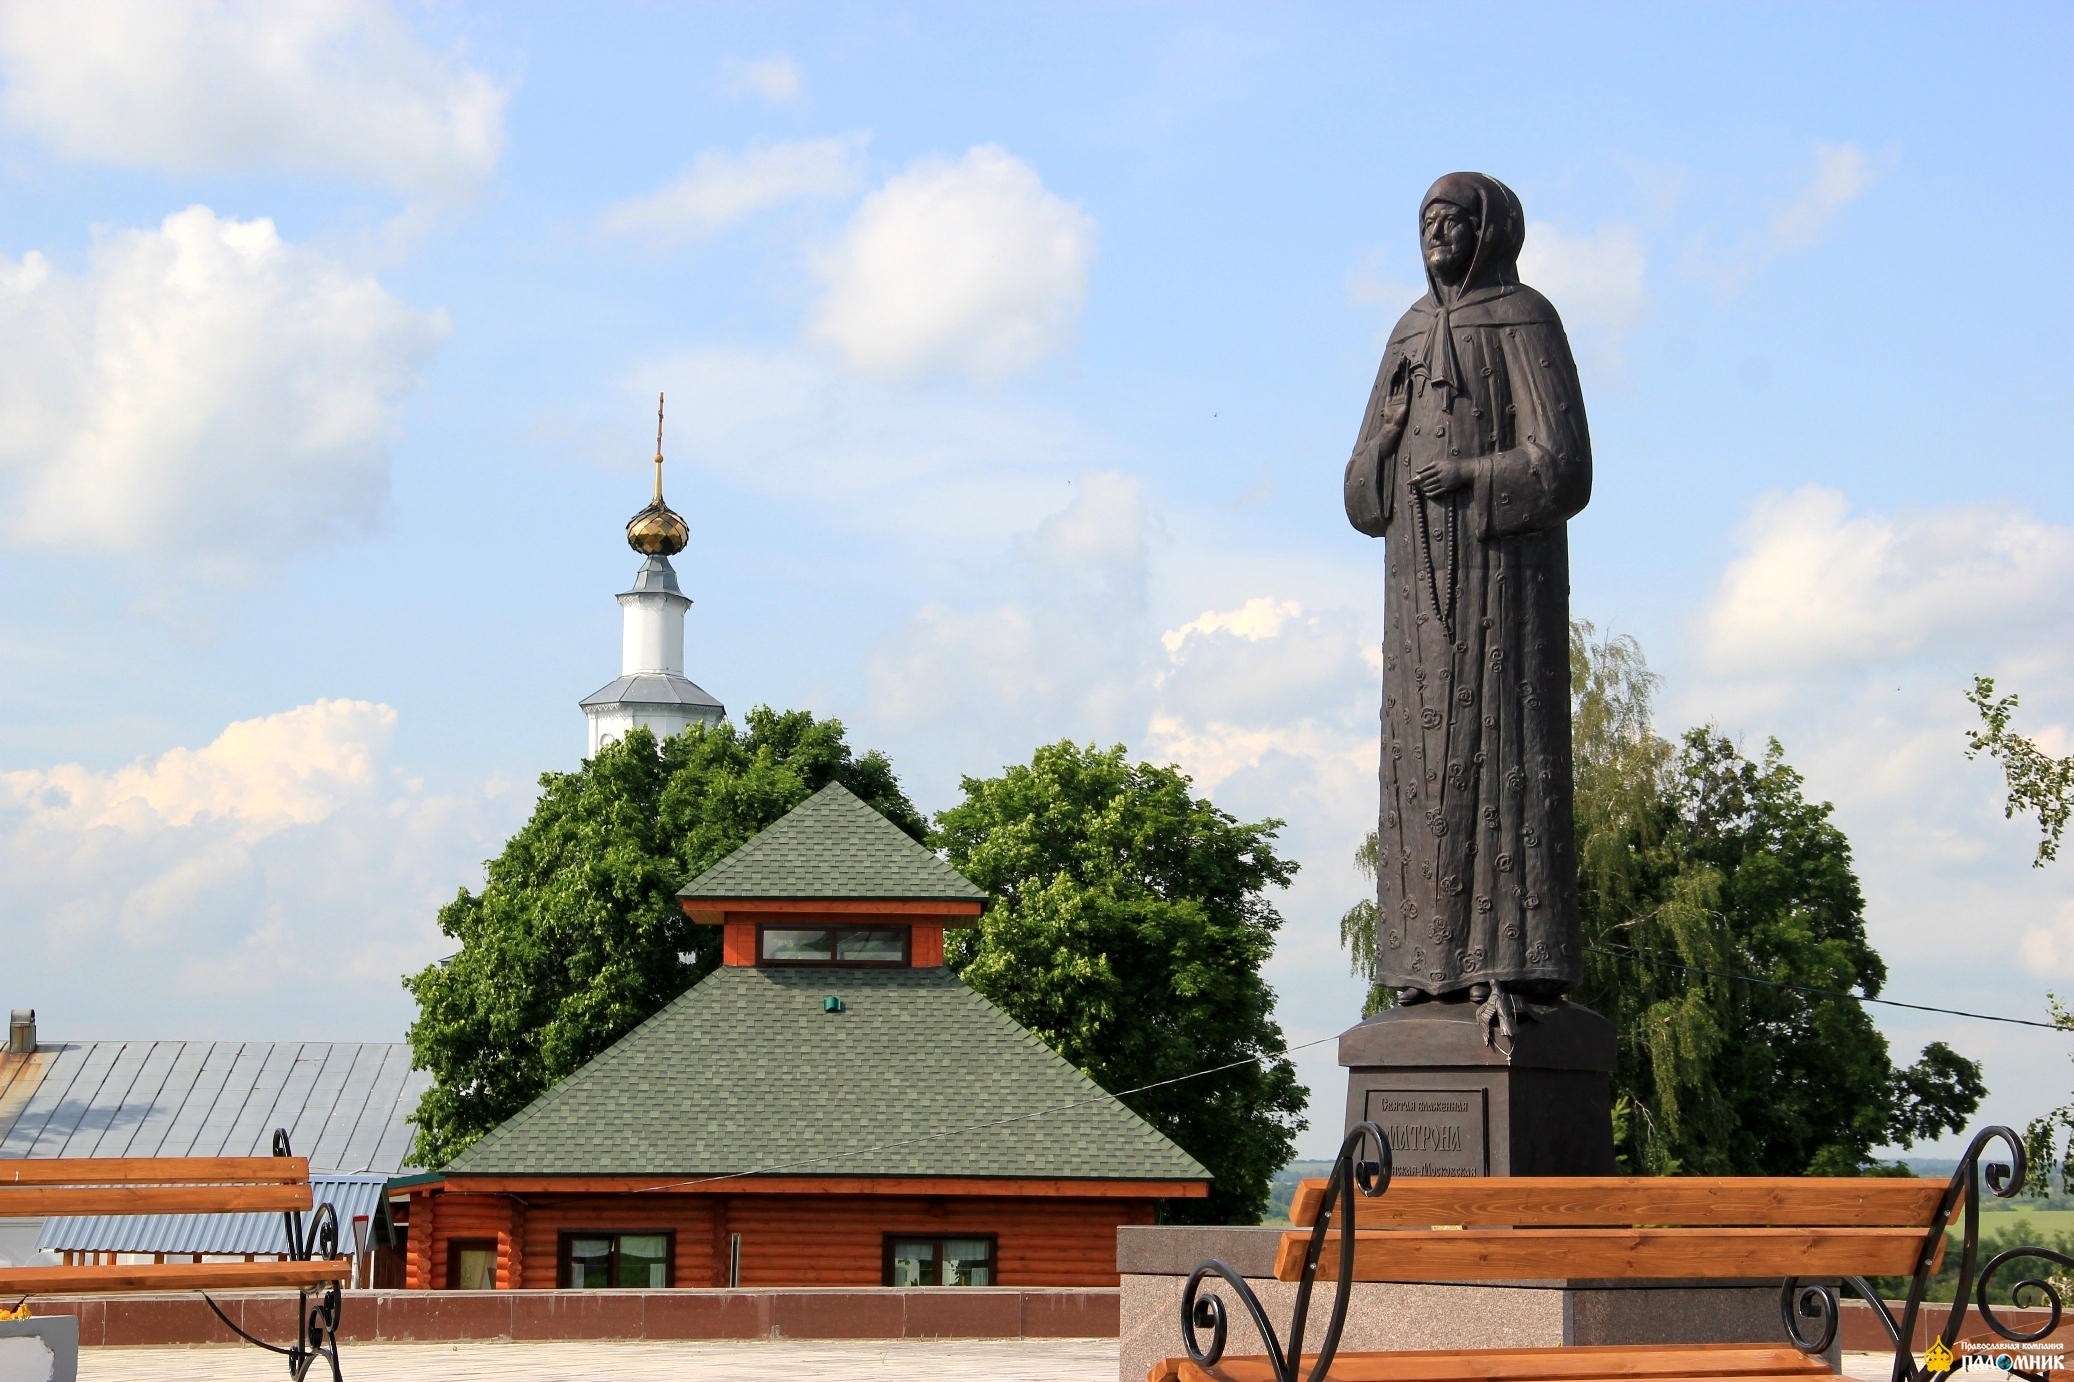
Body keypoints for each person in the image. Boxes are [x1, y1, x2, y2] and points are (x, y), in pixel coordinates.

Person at [1343, 171, 1592, 1033]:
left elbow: (1564, 465)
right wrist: (1386, 434)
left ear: (1491, 232)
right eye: (1426, 221)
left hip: (1503, 599)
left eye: (1454, 221)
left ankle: (1510, 966)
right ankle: (1424, 971)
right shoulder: (1407, 332)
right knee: (1419, 767)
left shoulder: (1527, 320)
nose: (1437, 234)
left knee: (1501, 759)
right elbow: (1360, 500)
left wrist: (1474, 475)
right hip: (1417, 600)